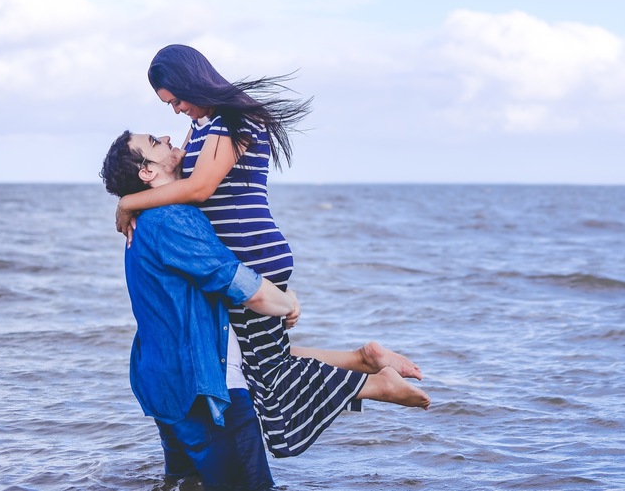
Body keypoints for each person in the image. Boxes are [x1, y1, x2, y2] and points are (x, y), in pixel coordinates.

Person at [112, 45, 417, 457]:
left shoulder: (232, 121)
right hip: (235, 253)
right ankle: (364, 359)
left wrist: (128, 202)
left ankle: (375, 384)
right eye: (170, 105)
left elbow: (199, 188)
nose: (177, 110)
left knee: (265, 369)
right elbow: (177, 185)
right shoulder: (201, 126)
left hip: (249, 250)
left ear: (191, 82)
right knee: (260, 357)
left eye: (176, 100)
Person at [101, 131, 429, 488]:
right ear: (147, 172)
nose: (166, 136)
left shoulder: (145, 221)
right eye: (153, 141)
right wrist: (288, 302)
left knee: (186, 485)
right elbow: (243, 286)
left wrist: (128, 201)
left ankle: (363, 366)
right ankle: (369, 378)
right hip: (204, 390)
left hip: (162, 383)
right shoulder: (172, 220)